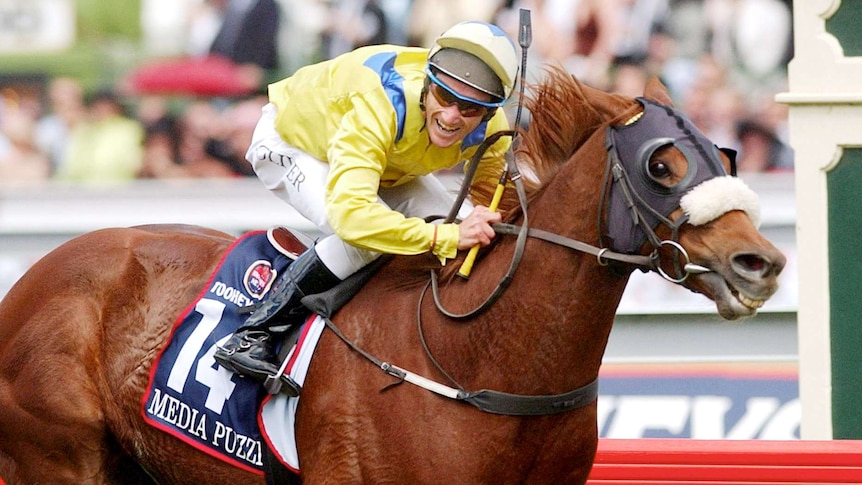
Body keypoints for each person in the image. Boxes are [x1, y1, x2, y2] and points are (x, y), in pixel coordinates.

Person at [214, 20, 519, 395]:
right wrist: (445, 235)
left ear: (490, 112)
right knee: (367, 237)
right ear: (428, 83)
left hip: (382, 166)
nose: (452, 116)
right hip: (293, 143)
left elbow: (490, 203)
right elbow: (352, 217)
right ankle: (252, 334)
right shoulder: (380, 103)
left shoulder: (493, 129)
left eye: (471, 107)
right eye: (444, 96)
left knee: (452, 224)